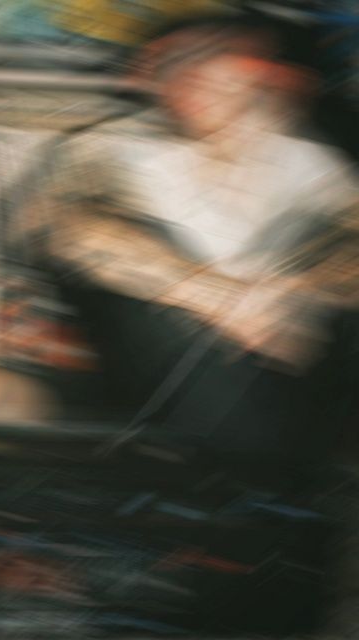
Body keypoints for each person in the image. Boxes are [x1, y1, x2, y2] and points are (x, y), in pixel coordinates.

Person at [19, 14, 359, 459]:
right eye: (173, 63)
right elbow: (72, 231)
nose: (193, 74)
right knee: (142, 264)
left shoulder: (305, 161)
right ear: (149, 78)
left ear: (255, 69)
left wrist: (295, 295)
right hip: (169, 356)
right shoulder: (117, 148)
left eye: (213, 57)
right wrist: (216, 298)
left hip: (290, 362)